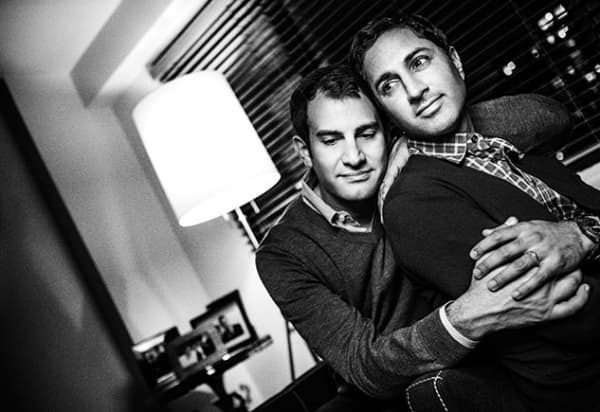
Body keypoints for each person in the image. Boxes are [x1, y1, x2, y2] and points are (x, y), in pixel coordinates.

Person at [255, 65, 588, 412]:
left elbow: (552, 117)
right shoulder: (283, 254)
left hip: (508, 348)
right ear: (304, 151)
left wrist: (415, 137)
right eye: (330, 140)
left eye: (366, 133)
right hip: (408, 386)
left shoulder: (414, 162)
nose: (354, 157)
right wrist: (472, 315)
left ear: (387, 131)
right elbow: (365, 365)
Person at [349, 12, 600, 412]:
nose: (414, 90)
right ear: (384, 111)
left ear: (455, 61)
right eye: (389, 85)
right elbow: (571, 312)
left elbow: (559, 128)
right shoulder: (414, 205)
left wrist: (581, 233)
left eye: (419, 62)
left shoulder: (503, 145)